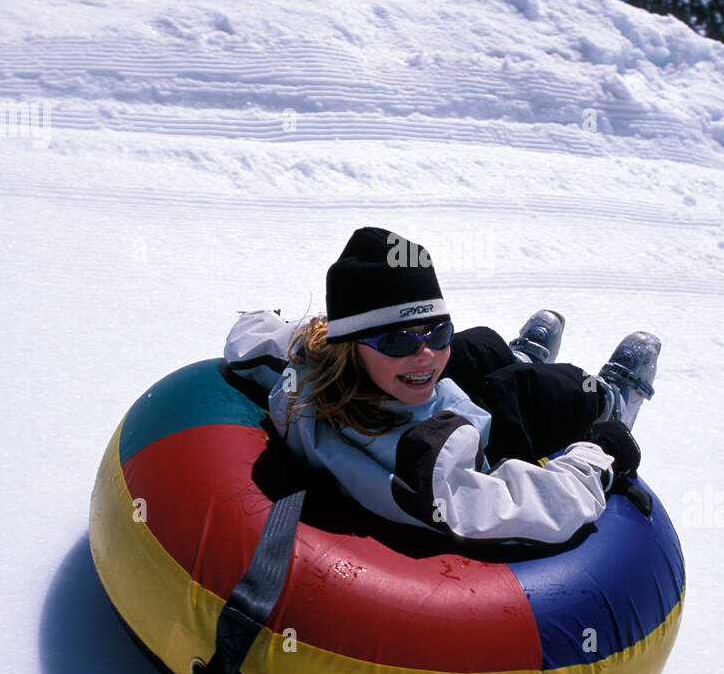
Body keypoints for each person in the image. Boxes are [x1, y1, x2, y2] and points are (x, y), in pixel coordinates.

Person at [222, 227, 659, 544]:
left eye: (438, 331)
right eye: (396, 339)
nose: (426, 352)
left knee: (479, 346)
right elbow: (533, 506)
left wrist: (327, 332)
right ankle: (610, 399)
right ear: (347, 347)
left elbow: (250, 337)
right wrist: (601, 455)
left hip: (410, 400)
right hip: (468, 441)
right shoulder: (416, 467)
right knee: (544, 390)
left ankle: (513, 355)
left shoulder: (309, 370)